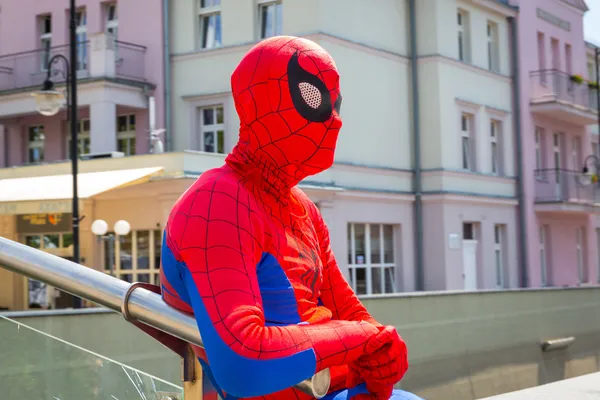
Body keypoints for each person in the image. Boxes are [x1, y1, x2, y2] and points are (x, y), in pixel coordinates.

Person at [160, 35, 422, 400]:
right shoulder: (217, 200)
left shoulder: (302, 210)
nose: (333, 121)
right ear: (261, 101)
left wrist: (379, 348)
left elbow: (349, 312)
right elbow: (243, 361)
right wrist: (363, 341)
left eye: (336, 104)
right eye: (313, 98)